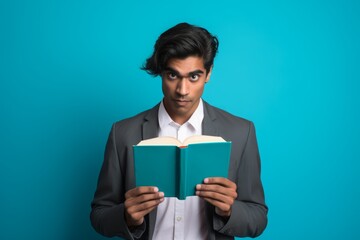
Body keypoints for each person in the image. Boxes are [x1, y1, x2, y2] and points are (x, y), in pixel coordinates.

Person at [90, 22, 268, 239]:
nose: (182, 91)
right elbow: (99, 215)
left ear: (208, 73)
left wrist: (228, 210)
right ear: (161, 73)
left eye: (194, 76)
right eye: (172, 76)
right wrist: (127, 216)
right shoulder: (123, 133)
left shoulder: (241, 132)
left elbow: (258, 218)